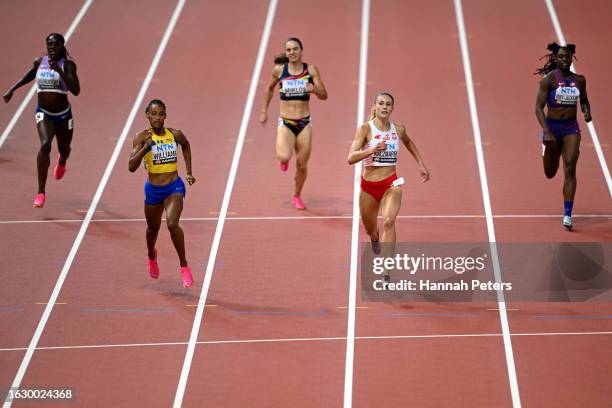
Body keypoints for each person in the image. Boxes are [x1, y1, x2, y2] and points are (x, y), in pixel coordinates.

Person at [348, 92, 429, 270]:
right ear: (375, 106)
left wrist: (421, 163)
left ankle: (386, 269)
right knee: (371, 229)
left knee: (388, 221)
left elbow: (408, 142)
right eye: (381, 103)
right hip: (369, 187)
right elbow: (351, 158)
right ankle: (375, 238)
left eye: (388, 104)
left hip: (391, 184)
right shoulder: (365, 129)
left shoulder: (398, 129)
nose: (384, 107)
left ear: (392, 108)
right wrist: (371, 150)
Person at [3, 33, 80, 208]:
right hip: (44, 113)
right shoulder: (40, 61)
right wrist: (12, 89)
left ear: (62, 45)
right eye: (49, 44)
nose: (51, 47)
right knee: (45, 145)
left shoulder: (68, 65)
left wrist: (59, 71)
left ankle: (62, 160)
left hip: (63, 115)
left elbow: (75, 90)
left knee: (64, 148)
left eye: (55, 44)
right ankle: (40, 193)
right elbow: (30, 75)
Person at [128, 99, 195, 288]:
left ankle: (184, 266)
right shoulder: (141, 137)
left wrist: (189, 172)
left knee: (172, 223)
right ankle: (151, 255)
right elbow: (131, 166)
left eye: (161, 114)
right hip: (153, 190)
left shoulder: (174, 134)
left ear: (165, 115)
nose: (157, 118)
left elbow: (186, 145)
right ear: (147, 115)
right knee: (152, 229)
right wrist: (145, 148)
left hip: (174, 187)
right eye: (153, 114)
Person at [259, 37, 328, 210]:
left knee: (302, 164)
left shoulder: (310, 70)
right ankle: (285, 158)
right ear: (286, 52)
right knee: (283, 155)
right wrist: (264, 111)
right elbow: (269, 88)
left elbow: (324, 95)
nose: (292, 52)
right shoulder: (279, 70)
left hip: (304, 122)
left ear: (301, 51)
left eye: (295, 49)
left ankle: (296, 196)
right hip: (286, 121)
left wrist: (315, 90)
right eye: (288, 50)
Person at [535, 42, 591, 231]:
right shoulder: (548, 80)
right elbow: (537, 109)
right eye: (560, 56)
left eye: (567, 56)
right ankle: (548, 151)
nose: (564, 59)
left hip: (570, 129)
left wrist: (586, 112)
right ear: (555, 58)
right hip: (552, 130)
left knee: (570, 167)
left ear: (571, 58)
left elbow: (584, 101)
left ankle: (567, 214)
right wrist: (547, 131)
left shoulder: (580, 80)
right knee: (550, 173)